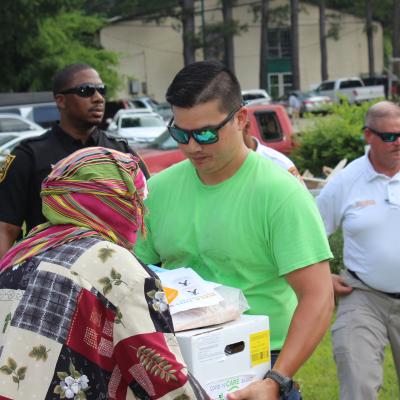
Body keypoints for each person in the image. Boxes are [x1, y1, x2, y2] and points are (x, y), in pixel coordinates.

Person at [134, 60, 334, 400]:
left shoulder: (280, 194)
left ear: (241, 119)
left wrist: (275, 381)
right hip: (177, 365)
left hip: (259, 366)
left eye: (207, 133)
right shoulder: (160, 190)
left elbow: (318, 296)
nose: (193, 146)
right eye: (180, 134)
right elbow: (134, 275)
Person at [0, 147, 208, 400]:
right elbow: (162, 378)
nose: (143, 212)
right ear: (113, 203)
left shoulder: (24, 251)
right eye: (137, 200)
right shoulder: (116, 266)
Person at [0, 63, 149, 258]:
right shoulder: (29, 155)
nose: (98, 98)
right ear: (61, 101)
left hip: (115, 270)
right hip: (50, 269)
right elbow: (6, 229)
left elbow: (146, 215)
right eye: (86, 91)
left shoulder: (120, 152)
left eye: (101, 90)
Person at [316, 100, 400, 400]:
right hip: (364, 296)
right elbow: (309, 234)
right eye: (390, 136)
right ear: (368, 135)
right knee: (356, 380)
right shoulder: (346, 181)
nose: (398, 142)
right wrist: (322, 278)